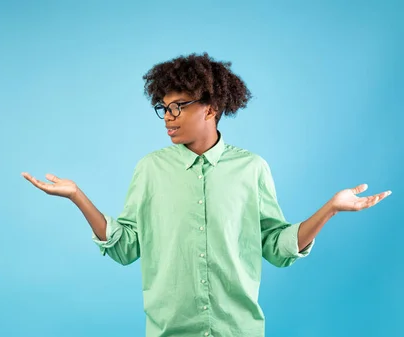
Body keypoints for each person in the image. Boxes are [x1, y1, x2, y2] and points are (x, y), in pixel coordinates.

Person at [21, 53, 391, 337]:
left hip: (239, 330)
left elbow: (277, 247)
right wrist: (77, 197)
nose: (168, 116)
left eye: (178, 107)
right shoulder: (150, 169)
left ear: (211, 108)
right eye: (163, 108)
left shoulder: (252, 168)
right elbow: (125, 248)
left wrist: (330, 209)